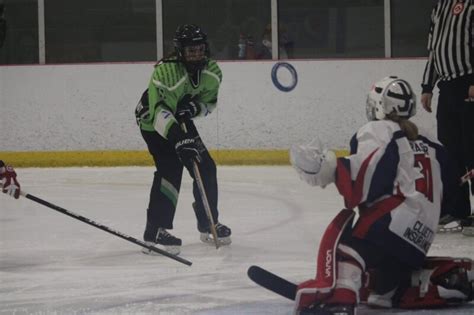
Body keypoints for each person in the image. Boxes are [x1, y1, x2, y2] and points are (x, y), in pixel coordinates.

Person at [289, 77, 473, 315]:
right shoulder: (432, 141)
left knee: (348, 251)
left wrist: (326, 168)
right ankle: (389, 289)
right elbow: (450, 192)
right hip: (421, 240)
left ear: (378, 105)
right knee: (383, 273)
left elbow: (368, 174)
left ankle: (339, 300)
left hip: (389, 226)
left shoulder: (380, 130)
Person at [135, 24, 231, 255]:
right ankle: (155, 230)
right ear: (180, 51)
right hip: (153, 121)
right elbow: (159, 112)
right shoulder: (165, 73)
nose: (196, 55)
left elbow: (209, 104)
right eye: (191, 50)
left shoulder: (213, 72)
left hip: (180, 119)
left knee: (205, 166)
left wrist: (194, 108)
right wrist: (179, 138)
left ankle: (208, 222)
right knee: (171, 168)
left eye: (199, 49)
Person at [420, 0, 473, 236]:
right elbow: (434, 50)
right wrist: (427, 86)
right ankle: (458, 209)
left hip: (468, 83)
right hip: (447, 88)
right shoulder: (439, 6)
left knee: (472, 149)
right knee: (450, 151)